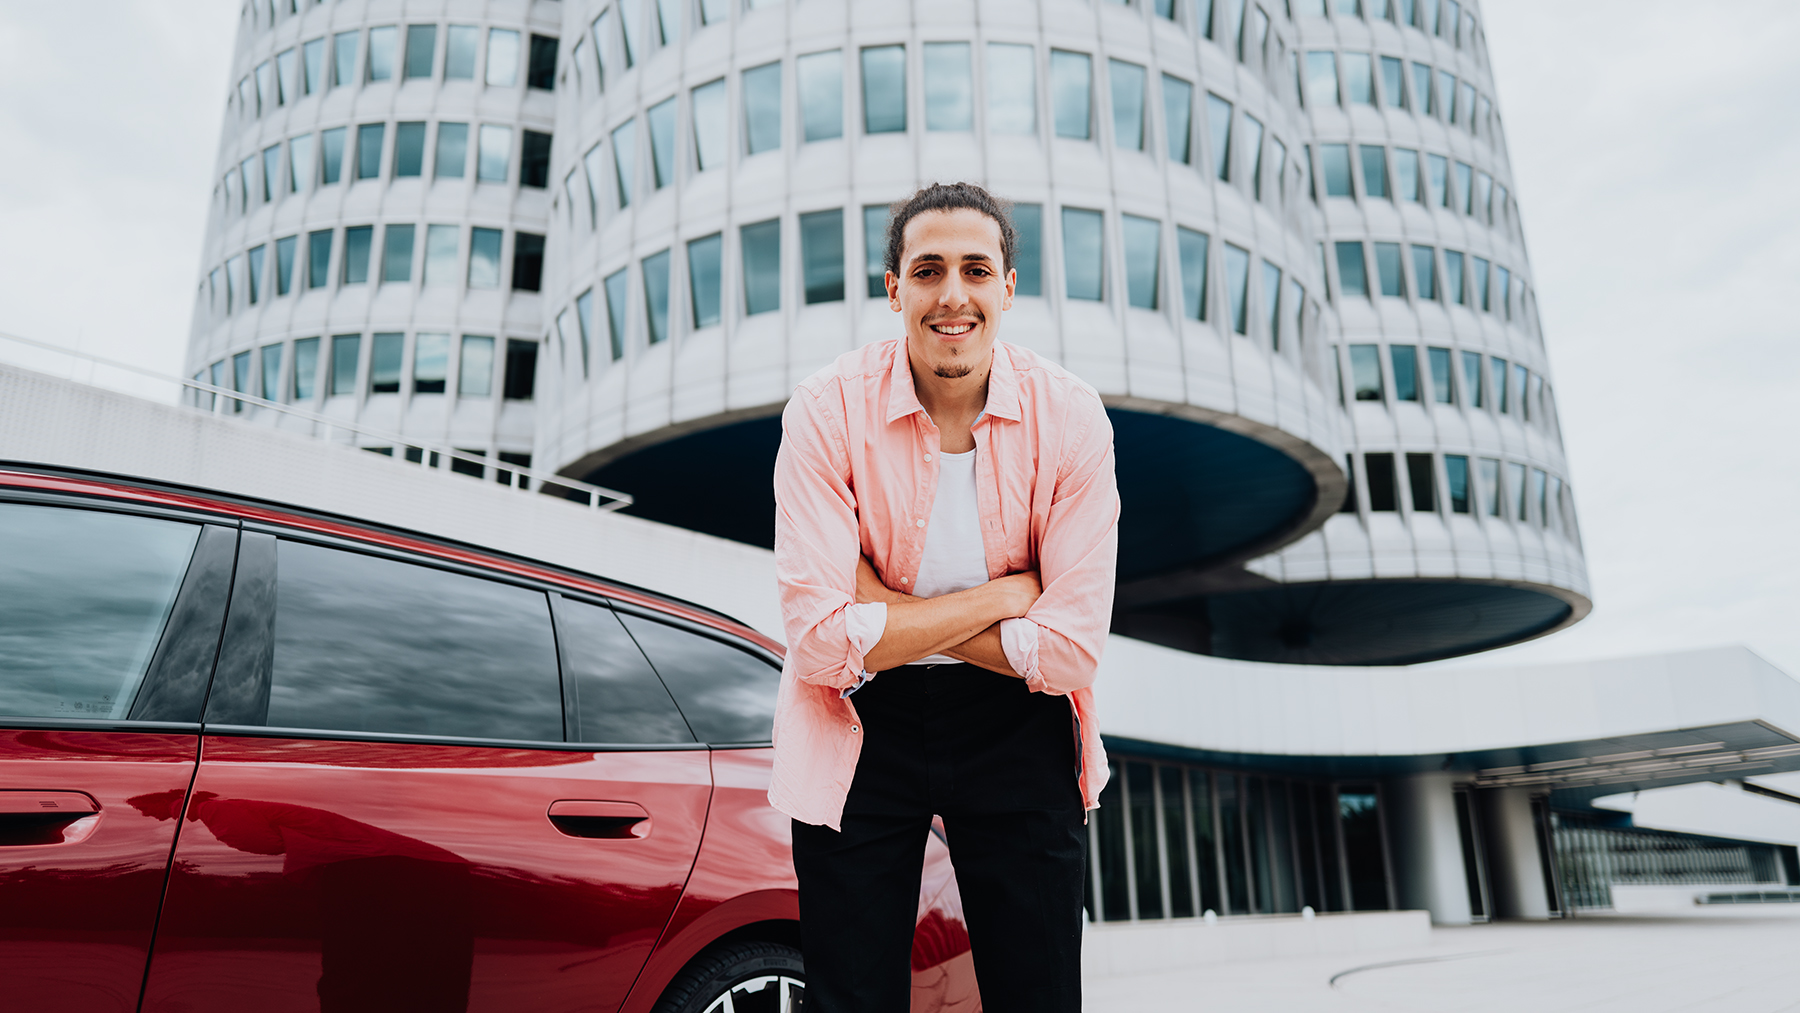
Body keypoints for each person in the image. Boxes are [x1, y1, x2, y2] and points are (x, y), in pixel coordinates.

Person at [770, 182, 1120, 1013]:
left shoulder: (1072, 418)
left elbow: (1071, 651)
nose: (952, 294)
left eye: (976, 269)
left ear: (1008, 287)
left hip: (1019, 718)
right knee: (850, 996)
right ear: (895, 289)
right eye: (928, 270)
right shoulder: (826, 410)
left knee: (1038, 993)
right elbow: (818, 642)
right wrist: (1007, 596)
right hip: (860, 716)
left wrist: (883, 605)